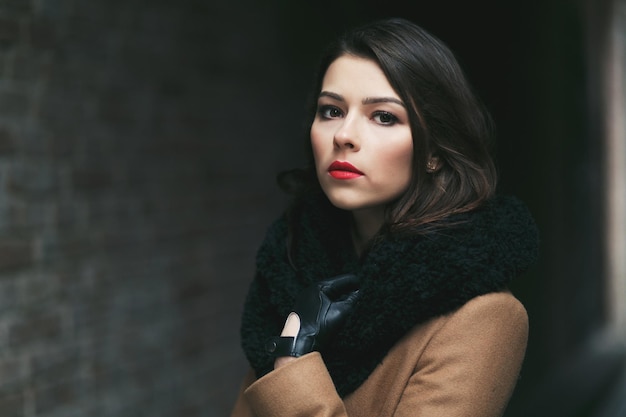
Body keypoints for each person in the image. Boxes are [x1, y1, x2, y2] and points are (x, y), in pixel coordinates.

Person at [230, 16, 539, 417]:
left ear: (434, 151)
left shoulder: (483, 317)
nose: (344, 135)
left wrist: (292, 362)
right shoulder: (290, 275)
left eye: (384, 116)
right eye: (331, 111)